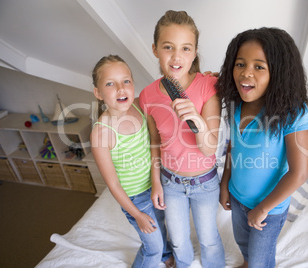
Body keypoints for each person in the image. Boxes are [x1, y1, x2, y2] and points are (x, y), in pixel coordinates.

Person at [216, 27, 308, 268]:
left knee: (261, 259)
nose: (246, 73)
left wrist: (263, 208)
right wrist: (225, 183)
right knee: (244, 245)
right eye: (240, 64)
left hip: (269, 208)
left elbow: (299, 173)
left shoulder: (294, 113)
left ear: (278, 73)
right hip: (238, 197)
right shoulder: (235, 104)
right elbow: (232, 148)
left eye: (259, 66)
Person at [139, 10, 225, 268]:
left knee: (209, 239)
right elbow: (154, 143)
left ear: (195, 52)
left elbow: (209, 149)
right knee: (177, 240)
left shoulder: (209, 86)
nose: (177, 57)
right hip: (171, 183)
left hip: (205, 183)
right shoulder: (147, 95)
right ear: (155, 49)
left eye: (186, 49)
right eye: (168, 47)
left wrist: (198, 121)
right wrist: (156, 182)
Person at [90, 55, 174, 268]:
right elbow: (114, 184)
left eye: (126, 81)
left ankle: (166, 254)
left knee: (161, 224)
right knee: (151, 246)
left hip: (156, 184)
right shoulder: (102, 133)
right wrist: (137, 215)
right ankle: (158, 254)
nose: (121, 88)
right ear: (98, 93)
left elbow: (166, 93)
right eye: (110, 83)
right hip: (136, 198)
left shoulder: (139, 107)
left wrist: (206, 77)